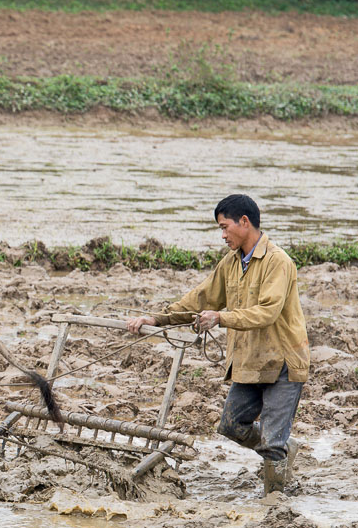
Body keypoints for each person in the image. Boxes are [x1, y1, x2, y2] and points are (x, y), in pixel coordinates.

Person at [127, 194, 309, 495]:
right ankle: (286, 446)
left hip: (283, 363)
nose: (223, 235)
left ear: (245, 222)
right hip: (250, 360)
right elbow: (202, 298)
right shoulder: (231, 263)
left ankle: (276, 505)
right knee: (231, 425)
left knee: (271, 444)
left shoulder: (278, 262)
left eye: (225, 227)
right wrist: (157, 319)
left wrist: (220, 317)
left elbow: (267, 311)